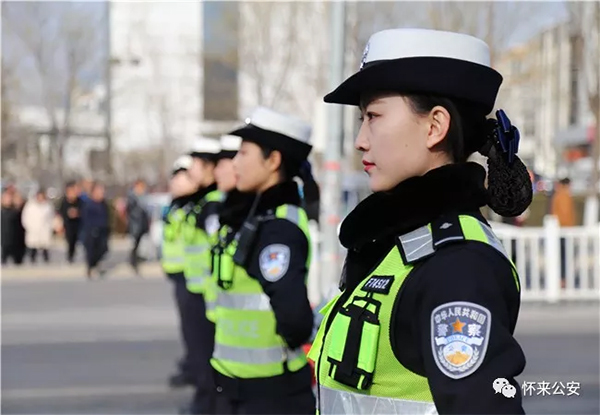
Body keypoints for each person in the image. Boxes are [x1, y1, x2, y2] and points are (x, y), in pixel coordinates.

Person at [308, 28, 533, 415]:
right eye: (362, 119)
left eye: (374, 117)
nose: (361, 140)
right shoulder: (393, 246)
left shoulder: (457, 266)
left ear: (434, 127)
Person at [211, 107, 318, 415]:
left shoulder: (278, 228)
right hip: (242, 388)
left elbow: (295, 320)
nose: (234, 163)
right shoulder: (258, 217)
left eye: (244, 153)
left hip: (270, 395)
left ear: (273, 161)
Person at [179, 137, 223, 415]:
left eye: (195, 163)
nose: (190, 170)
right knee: (200, 351)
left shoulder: (214, 204)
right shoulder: (202, 201)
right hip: (197, 288)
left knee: (208, 355)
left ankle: (206, 405)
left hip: (209, 294)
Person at [163, 155, 196, 388]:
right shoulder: (176, 205)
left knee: (195, 332)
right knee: (188, 329)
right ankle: (190, 365)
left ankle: (192, 368)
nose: (174, 183)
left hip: (192, 276)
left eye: (179, 177)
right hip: (179, 274)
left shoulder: (196, 207)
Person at [81, 182, 110, 279]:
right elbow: (86, 219)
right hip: (91, 231)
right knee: (91, 251)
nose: (101, 194)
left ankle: (96, 265)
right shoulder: (88, 205)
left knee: (103, 249)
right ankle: (91, 268)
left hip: (103, 230)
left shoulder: (104, 204)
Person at [550, 177, 576, 288]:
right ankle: (563, 279)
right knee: (564, 256)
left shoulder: (557, 195)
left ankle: (562, 278)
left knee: (561, 256)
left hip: (559, 230)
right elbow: (565, 215)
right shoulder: (564, 196)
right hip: (563, 231)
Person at [22, 189, 54, 264]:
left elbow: (51, 217)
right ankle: (32, 259)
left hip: (44, 229)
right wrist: (28, 227)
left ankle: (46, 260)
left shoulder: (48, 206)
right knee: (33, 245)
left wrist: (50, 227)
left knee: (45, 245)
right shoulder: (30, 206)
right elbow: (25, 217)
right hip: (33, 229)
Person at [126, 179, 151, 274]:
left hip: (142, 225)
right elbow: (131, 212)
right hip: (135, 226)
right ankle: (134, 262)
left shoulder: (144, 197)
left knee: (140, 244)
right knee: (134, 245)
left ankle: (138, 260)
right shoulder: (132, 197)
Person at [59, 181, 83, 263]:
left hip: (78, 225)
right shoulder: (64, 201)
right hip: (68, 225)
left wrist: (77, 213)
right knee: (70, 241)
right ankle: (70, 257)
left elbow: (84, 211)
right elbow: (61, 212)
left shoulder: (80, 201)